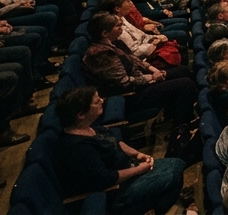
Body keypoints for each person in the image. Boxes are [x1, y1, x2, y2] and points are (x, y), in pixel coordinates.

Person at [53, 87, 188, 215]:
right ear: (81, 114)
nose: (102, 101)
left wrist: (137, 154)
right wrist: (140, 169)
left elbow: (115, 141)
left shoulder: (89, 126)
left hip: (128, 169)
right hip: (117, 192)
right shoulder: (77, 148)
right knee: (176, 169)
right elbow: (106, 179)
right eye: (96, 101)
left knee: (177, 165)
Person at [83, 12, 197, 124]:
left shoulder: (115, 42)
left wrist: (154, 70)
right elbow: (124, 82)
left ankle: (178, 112)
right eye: (117, 26)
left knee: (183, 70)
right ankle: (182, 125)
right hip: (130, 95)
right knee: (185, 84)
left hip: (140, 82)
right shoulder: (101, 54)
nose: (121, 28)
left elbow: (134, 59)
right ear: (105, 33)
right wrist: (151, 77)